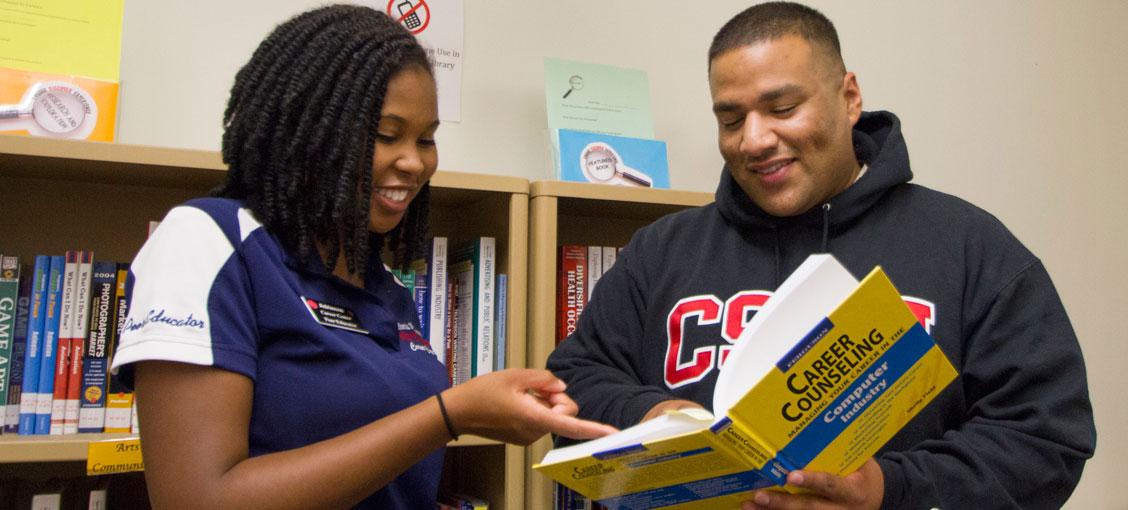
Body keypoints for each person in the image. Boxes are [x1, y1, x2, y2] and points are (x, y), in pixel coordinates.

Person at [546, 2, 1096, 509]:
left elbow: (1044, 441)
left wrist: (889, 487)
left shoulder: (972, 248)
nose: (754, 140)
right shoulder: (662, 251)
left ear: (849, 97)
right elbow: (575, 378)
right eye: (731, 119)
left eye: (782, 107)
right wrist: (652, 416)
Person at [110, 5, 614, 509]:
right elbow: (198, 499)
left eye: (427, 138)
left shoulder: (382, 285)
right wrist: (449, 415)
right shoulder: (208, 241)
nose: (414, 161)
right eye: (385, 135)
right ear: (307, 129)